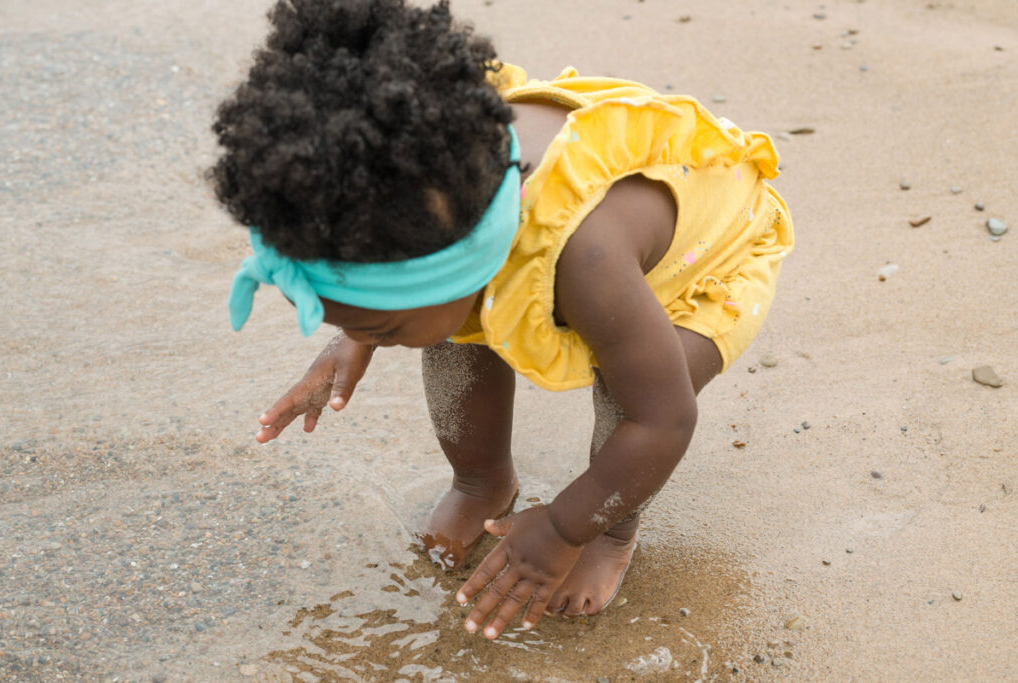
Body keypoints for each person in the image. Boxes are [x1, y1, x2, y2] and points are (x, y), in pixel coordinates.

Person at [211, 0, 793, 641]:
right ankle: (481, 482)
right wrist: (355, 337)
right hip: (514, 254)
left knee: (634, 393)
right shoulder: (429, 182)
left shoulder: (586, 257)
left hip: (701, 262)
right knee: (452, 329)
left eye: (376, 327)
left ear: (461, 262)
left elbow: (667, 420)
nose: (361, 335)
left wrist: (564, 526)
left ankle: (613, 528)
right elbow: (411, 291)